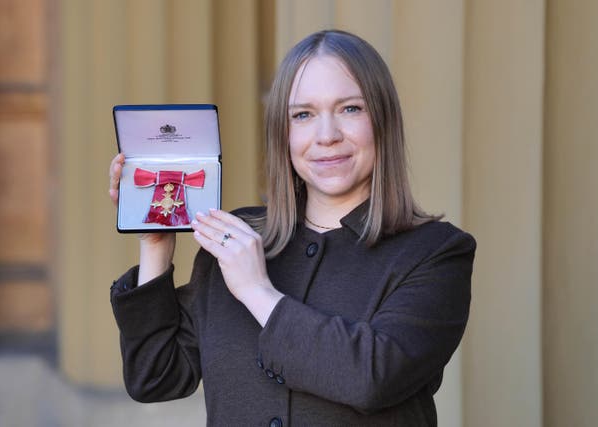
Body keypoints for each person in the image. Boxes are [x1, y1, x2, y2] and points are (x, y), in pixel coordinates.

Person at [108, 29, 475, 427]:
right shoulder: (240, 238)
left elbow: (373, 378)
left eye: (350, 109)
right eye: (303, 115)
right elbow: (155, 377)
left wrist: (257, 292)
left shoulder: (435, 253)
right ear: (283, 135)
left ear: (383, 119)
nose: (327, 136)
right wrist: (156, 242)